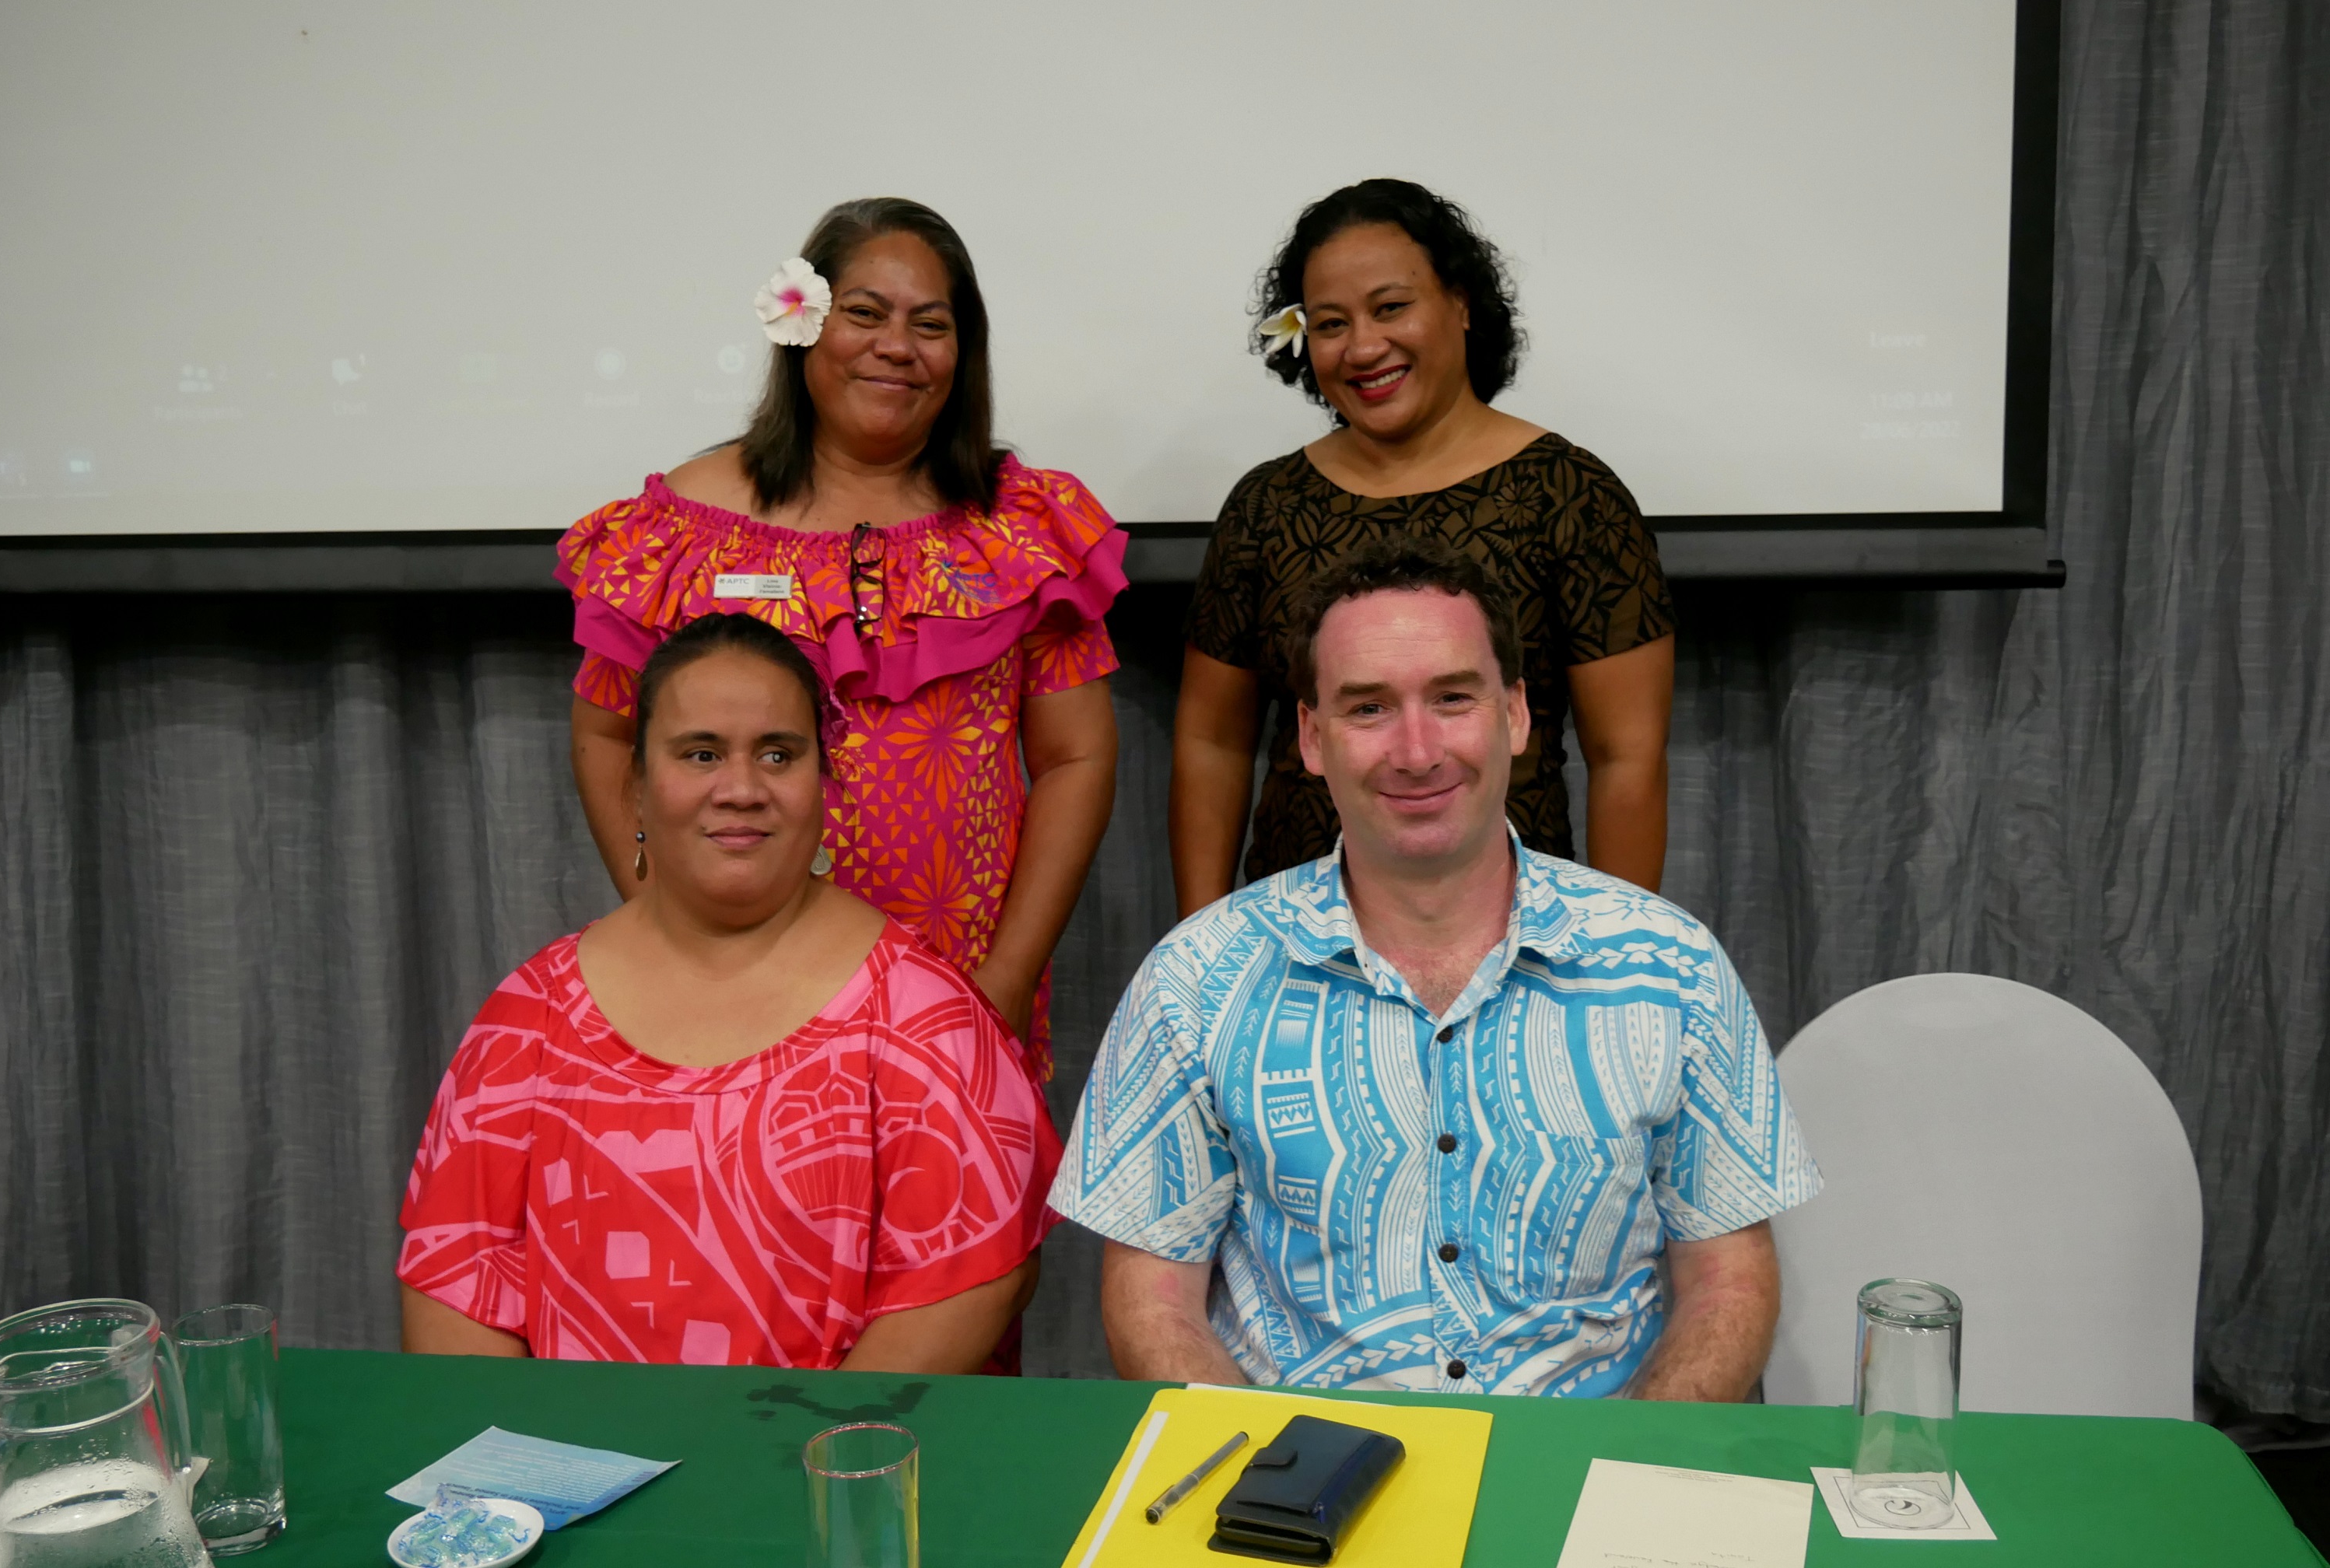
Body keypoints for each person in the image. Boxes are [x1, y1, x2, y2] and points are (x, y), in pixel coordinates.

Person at [1053, 537, 1818, 1398]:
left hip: (1589, 1479)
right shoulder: (1195, 981)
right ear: (1310, 736)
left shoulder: (1672, 967)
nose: (1417, 751)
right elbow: (1152, 1302)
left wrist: (1619, 1466)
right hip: (1298, 1495)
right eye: (1368, 709)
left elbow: (1731, 1281)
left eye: (1452, 698)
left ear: (1517, 715)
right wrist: (1265, 1485)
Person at [400, 614, 1060, 1371]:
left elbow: (969, 1284)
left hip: (819, 1474)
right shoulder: (531, 1017)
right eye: (701, 754)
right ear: (639, 787)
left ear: (824, 783)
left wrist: (787, 1478)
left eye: (778, 754)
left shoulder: (925, 1019)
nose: (741, 788)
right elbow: (459, 1287)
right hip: (562, 1482)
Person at [561, 197, 1124, 1080]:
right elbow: (603, 735)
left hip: (959, 996)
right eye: (863, 314)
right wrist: (662, 924)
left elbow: (1077, 760)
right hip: (731, 987)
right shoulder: (680, 527)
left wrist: (1008, 978)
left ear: (962, 351)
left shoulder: (1017, 529)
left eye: (929, 324)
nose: (895, 347)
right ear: (802, 327)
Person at [1172, 178, 1674, 918]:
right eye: (1331, 323)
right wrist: (1204, 951)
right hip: (1296, 944)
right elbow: (1212, 745)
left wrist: (1614, 959)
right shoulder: (1266, 506)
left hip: (1511, 944)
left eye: (1391, 308)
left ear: (1463, 304)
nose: (1364, 346)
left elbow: (1626, 759)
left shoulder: (1571, 494)